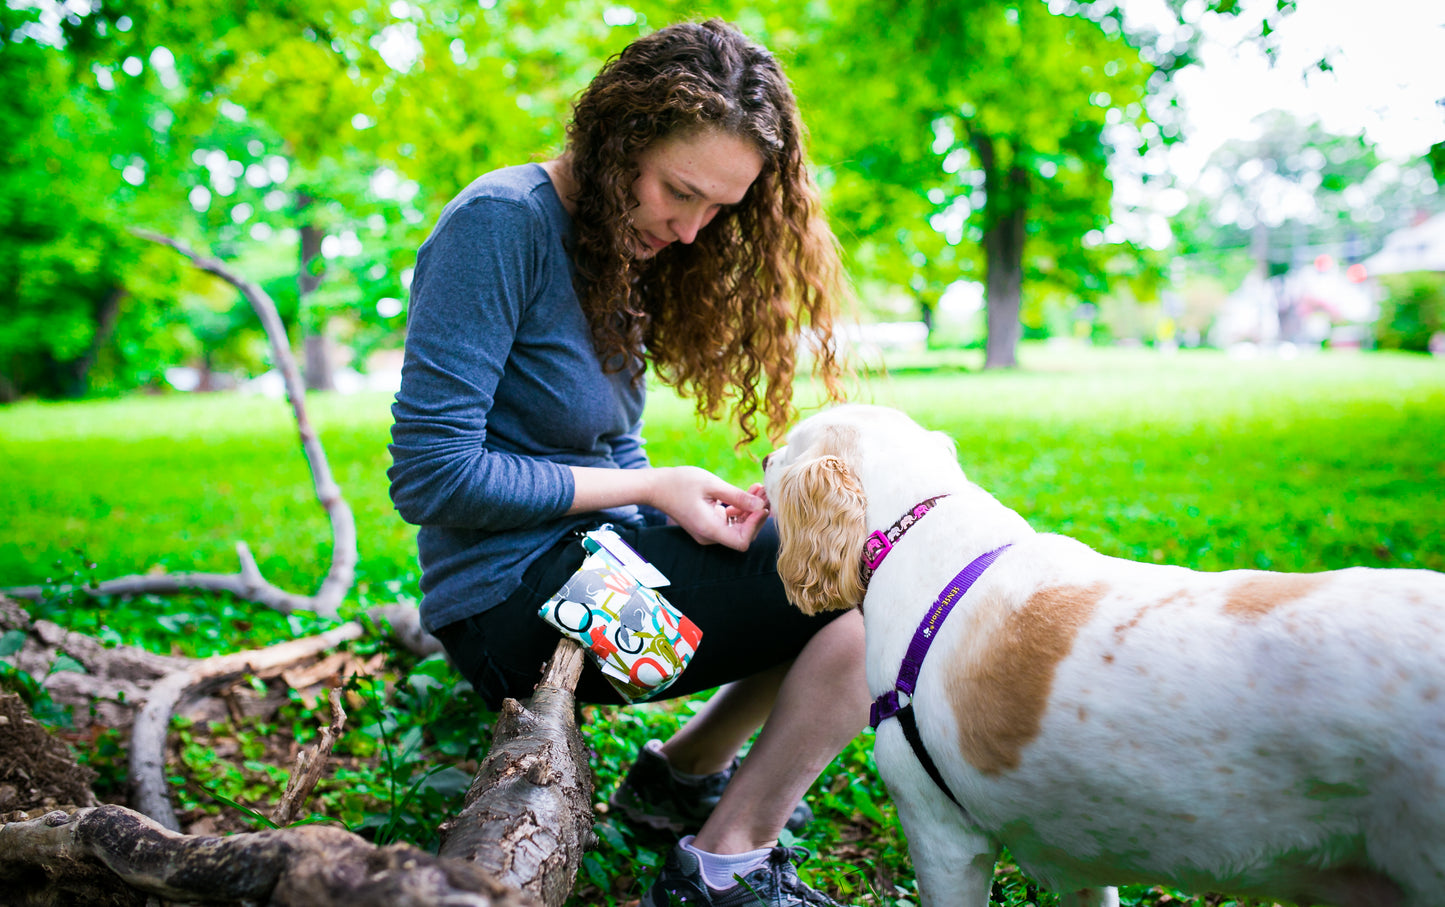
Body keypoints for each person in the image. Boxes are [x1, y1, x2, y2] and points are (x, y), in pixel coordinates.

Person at [387, 19, 869, 906]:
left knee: (829, 557)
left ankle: (677, 779)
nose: (691, 231)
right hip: (508, 606)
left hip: (588, 565)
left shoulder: (619, 245)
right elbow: (430, 476)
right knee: (865, 592)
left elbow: (609, 447)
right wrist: (651, 489)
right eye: (679, 192)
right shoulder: (499, 225)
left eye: (720, 209)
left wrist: (684, 512)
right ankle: (722, 868)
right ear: (618, 140)